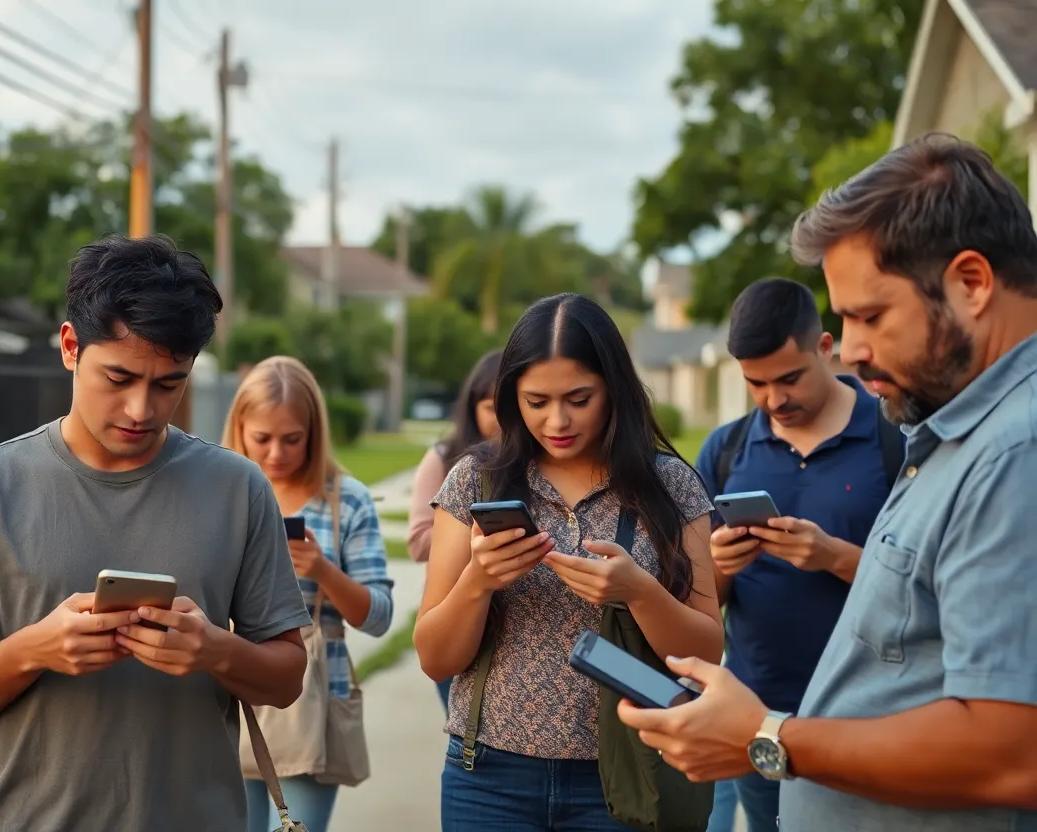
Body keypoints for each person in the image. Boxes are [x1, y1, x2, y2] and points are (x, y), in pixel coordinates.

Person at [617, 133, 1037, 829]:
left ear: (971, 282)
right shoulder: (953, 427)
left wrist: (769, 738)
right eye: (843, 318)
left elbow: (1010, 752)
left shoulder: (1013, 451)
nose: (854, 349)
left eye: (870, 315)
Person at [0, 235, 312, 832]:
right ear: (71, 346)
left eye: (168, 385)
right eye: (119, 378)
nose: (140, 409)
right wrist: (34, 649)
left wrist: (213, 650)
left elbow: (285, 679)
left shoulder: (238, 488)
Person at [415, 292, 723, 831]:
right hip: (488, 775)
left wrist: (639, 592)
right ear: (512, 397)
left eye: (579, 399)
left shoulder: (670, 486)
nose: (557, 420)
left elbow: (705, 653)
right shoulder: (475, 480)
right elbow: (436, 659)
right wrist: (477, 581)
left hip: (625, 775)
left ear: (614, 389)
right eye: (536, 401)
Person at [695, 277, 902, 832]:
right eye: (755, 384)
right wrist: (720, 565)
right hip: (759, 716)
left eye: (789, 378)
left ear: (826, 348)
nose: (773, 400)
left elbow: (931, 589)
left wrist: (834, 556)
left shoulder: (896, 437)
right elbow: (697, 600)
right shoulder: (725, 449)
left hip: (872, 717)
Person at [222, 355, 394, 832]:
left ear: (314, 433)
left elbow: (379, 616)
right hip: (226, 695)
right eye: (262, 439)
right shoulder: (220, 492)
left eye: (292, 439)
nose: (276, 453)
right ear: (239, 429)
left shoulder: (346, 499)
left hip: (313, 697)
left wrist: (323, 570)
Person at [407, 348, 501, 708]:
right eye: (491, 408)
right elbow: (417, 542)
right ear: (472, 408)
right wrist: (464, 534)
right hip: (453, 605)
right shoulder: (447, 459)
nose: (501, 419)